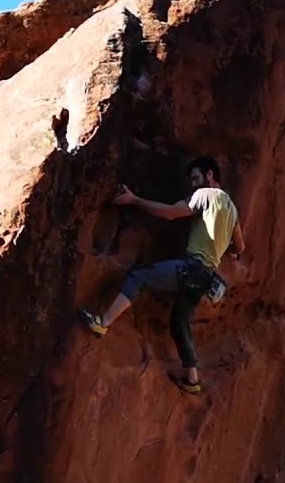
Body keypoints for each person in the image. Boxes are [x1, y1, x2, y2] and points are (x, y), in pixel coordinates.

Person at [79, 155, 245, 394]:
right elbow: (240, 246)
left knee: (138, 276)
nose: (192, 185)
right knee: (179, 323)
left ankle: (102, 323)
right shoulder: (232, 210)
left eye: (196, 178)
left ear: (210, 175)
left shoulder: (205, 195)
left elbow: (170, 213)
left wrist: (134, 200)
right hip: (205, 278)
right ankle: (193, 380)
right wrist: (229, 251)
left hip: (191, 268)